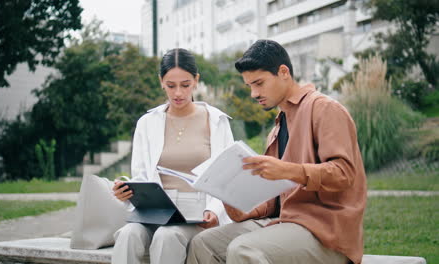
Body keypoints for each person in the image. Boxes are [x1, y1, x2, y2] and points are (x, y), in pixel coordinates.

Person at [187, 39, 367, 264]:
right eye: (250, 85)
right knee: (202, 243)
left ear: (283, 72)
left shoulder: (324, 109)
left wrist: (289, 170)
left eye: (259, 83)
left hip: (326, 233)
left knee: (243, 249)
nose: (253, 93)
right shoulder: (278, 127)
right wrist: (230, 199)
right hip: (284, 222)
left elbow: (344, 174)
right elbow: (276, 199)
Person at [111, 48, 234, 264]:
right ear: (161, 81)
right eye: (171, 86)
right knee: (127, 234)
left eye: (185, 85)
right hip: (156, 211)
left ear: (196, 80)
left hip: (198, 215)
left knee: (167, 236)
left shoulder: (217, 122)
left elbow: (229, 177)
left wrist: (214, 211)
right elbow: (140, 176)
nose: (178, 93)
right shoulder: (147, 123)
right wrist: (128, 192)